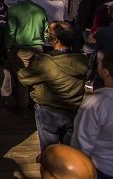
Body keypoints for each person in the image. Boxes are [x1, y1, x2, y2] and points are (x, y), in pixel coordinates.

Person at [17, 21, 88, 154]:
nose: (46, 35)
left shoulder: (45, 62)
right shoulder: (83, 60)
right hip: (74, 110)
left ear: (55, 39)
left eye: (48, 32)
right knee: (71, 154)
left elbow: (23, 77)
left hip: (48, 111)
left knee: (50, 154)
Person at [72, 53, 113, 179]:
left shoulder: (97, 102)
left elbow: (82, 141)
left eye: (99, 63)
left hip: (106, 170)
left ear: (105, 72)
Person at [5, 0, 48, 111]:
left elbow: (10, 32)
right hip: (38, 47)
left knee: (21, 77)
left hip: (20, 48)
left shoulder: (14, 10)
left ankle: (22, 104)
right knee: (35, 76)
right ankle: (34, 102)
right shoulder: (40, 10)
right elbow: (45, 30)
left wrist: (7, 47)